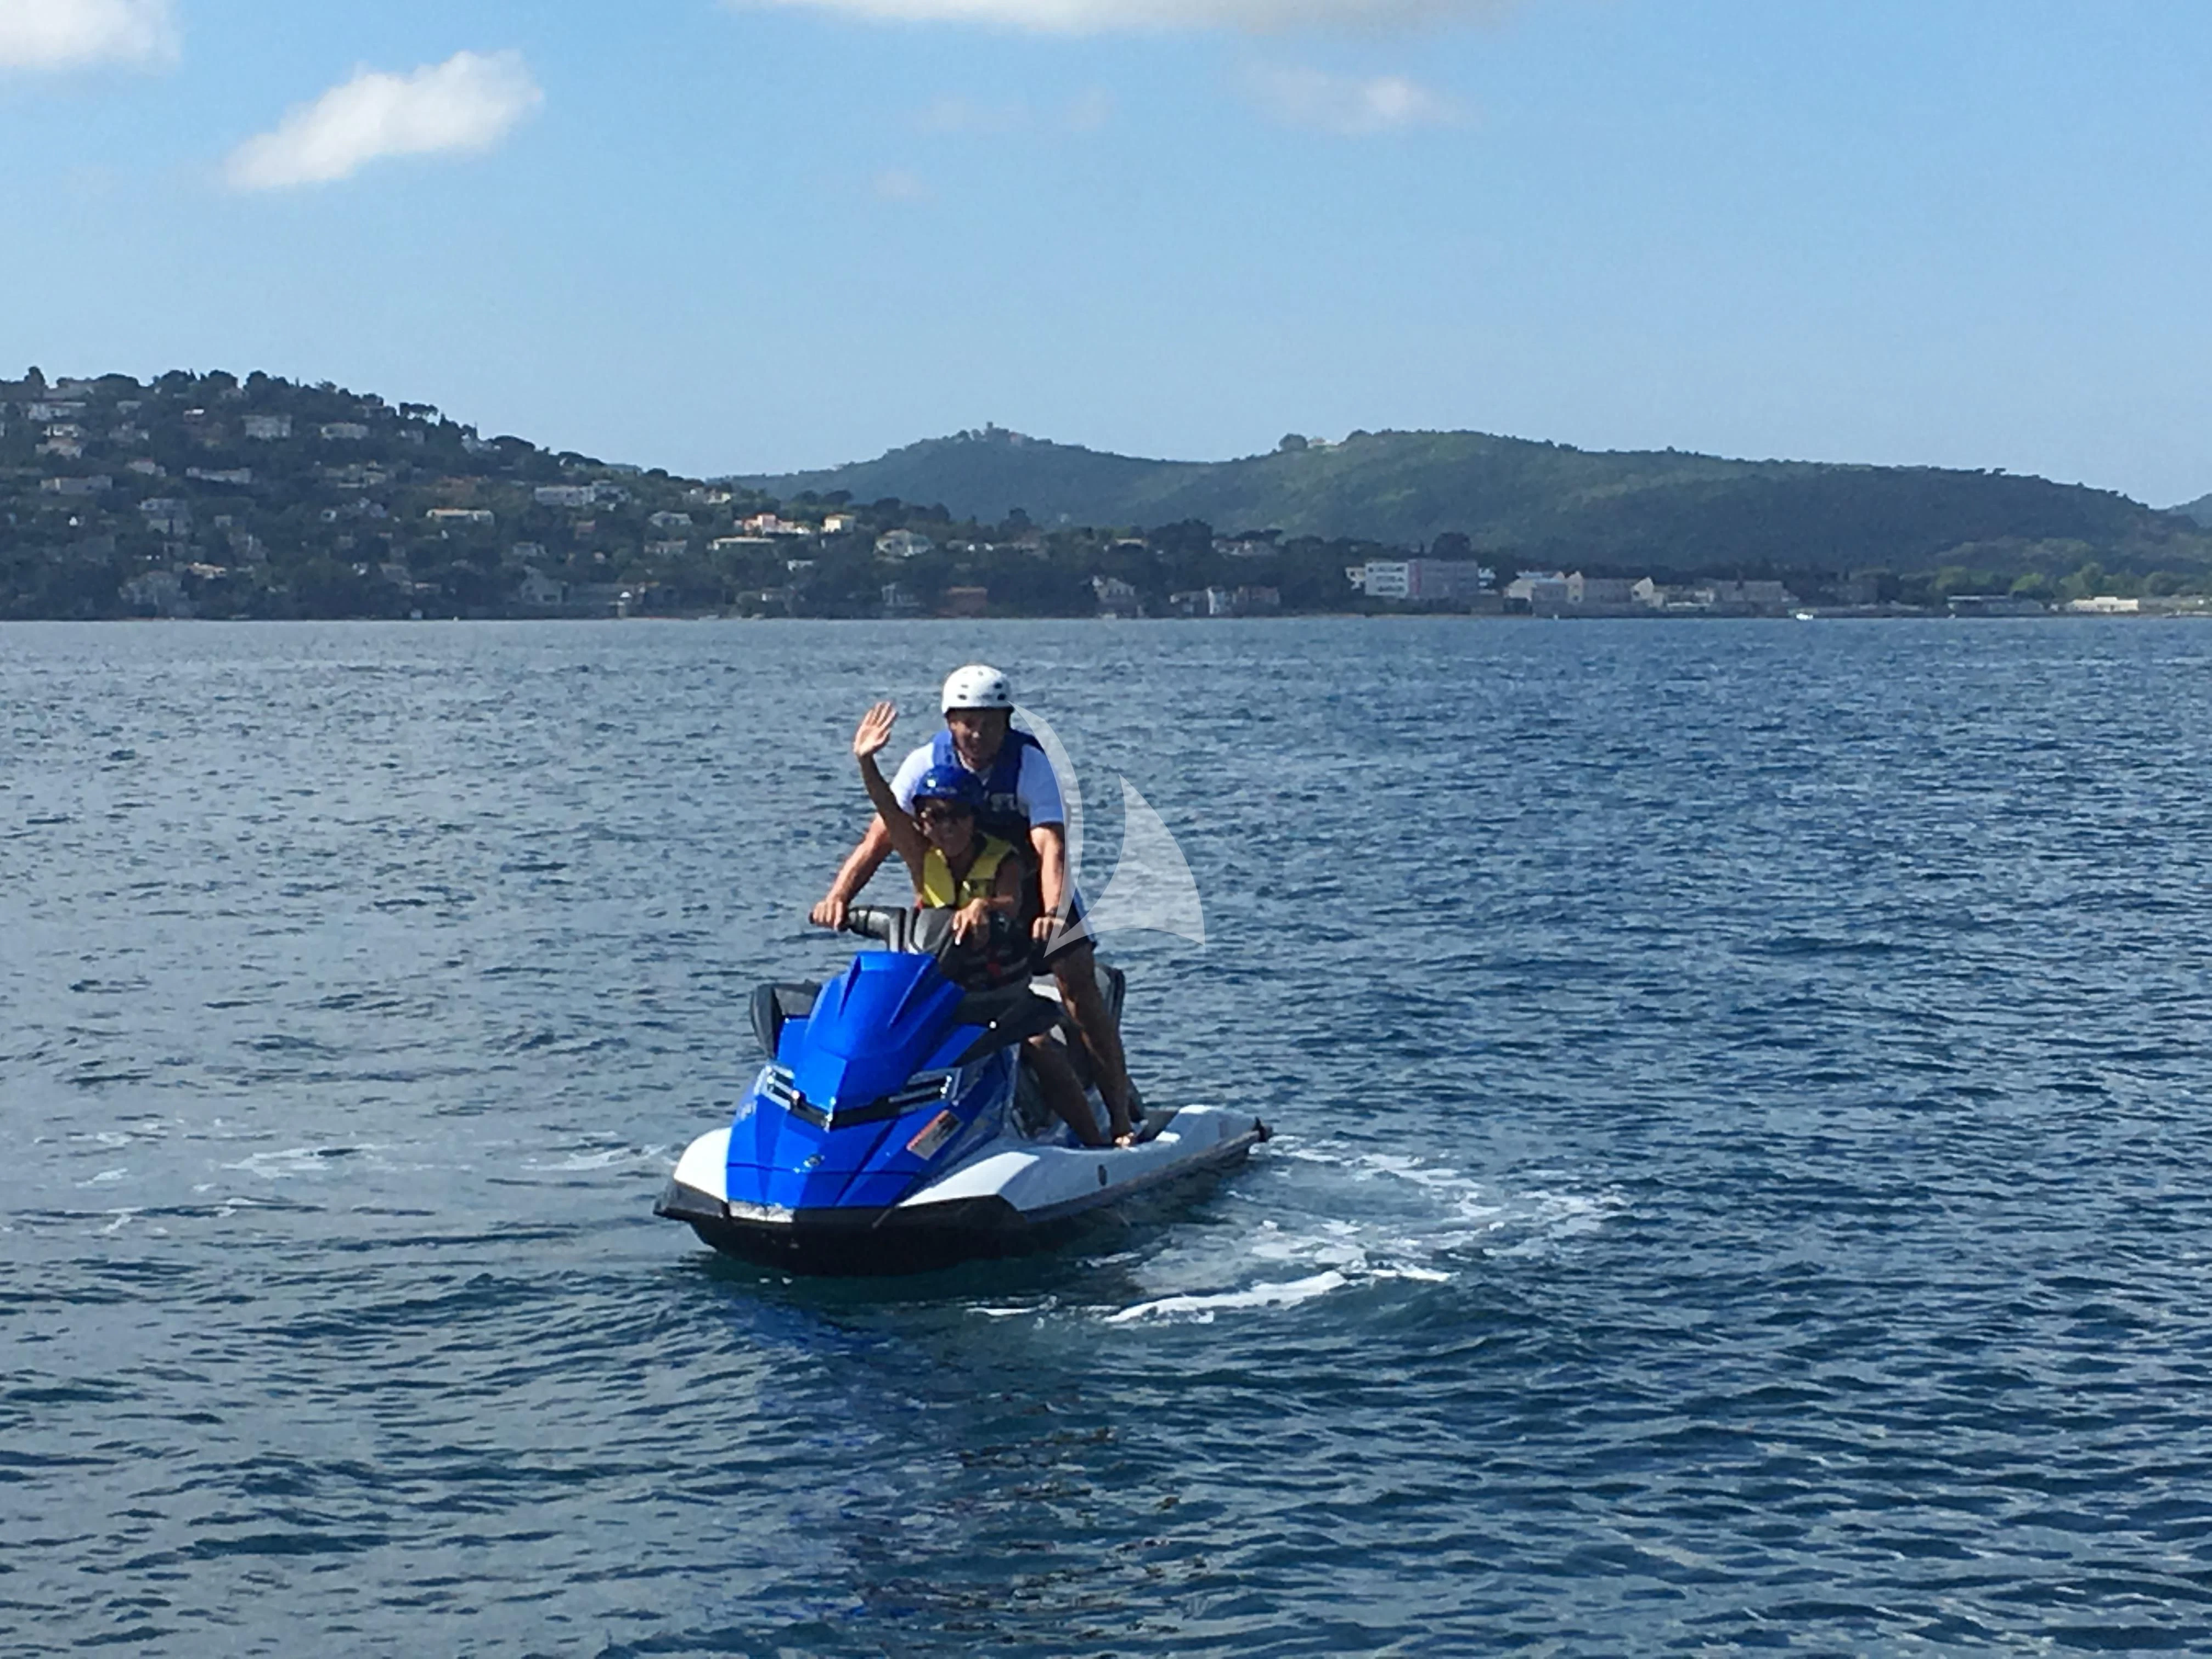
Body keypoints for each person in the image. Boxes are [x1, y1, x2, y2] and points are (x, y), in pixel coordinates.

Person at [810, 664, 1141, 1146]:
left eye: (989, 721)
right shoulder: (925, 764)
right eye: (967, 720)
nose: (978, 732)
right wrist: (839, 897)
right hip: (954, 906)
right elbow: (882, 836)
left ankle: (1119, 1121)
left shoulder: (1029, 763)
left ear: (1006, 721)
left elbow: (1050, 845)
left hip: (1028, 893)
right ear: (949, 721)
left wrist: (1050, 912)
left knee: (1077, 987)